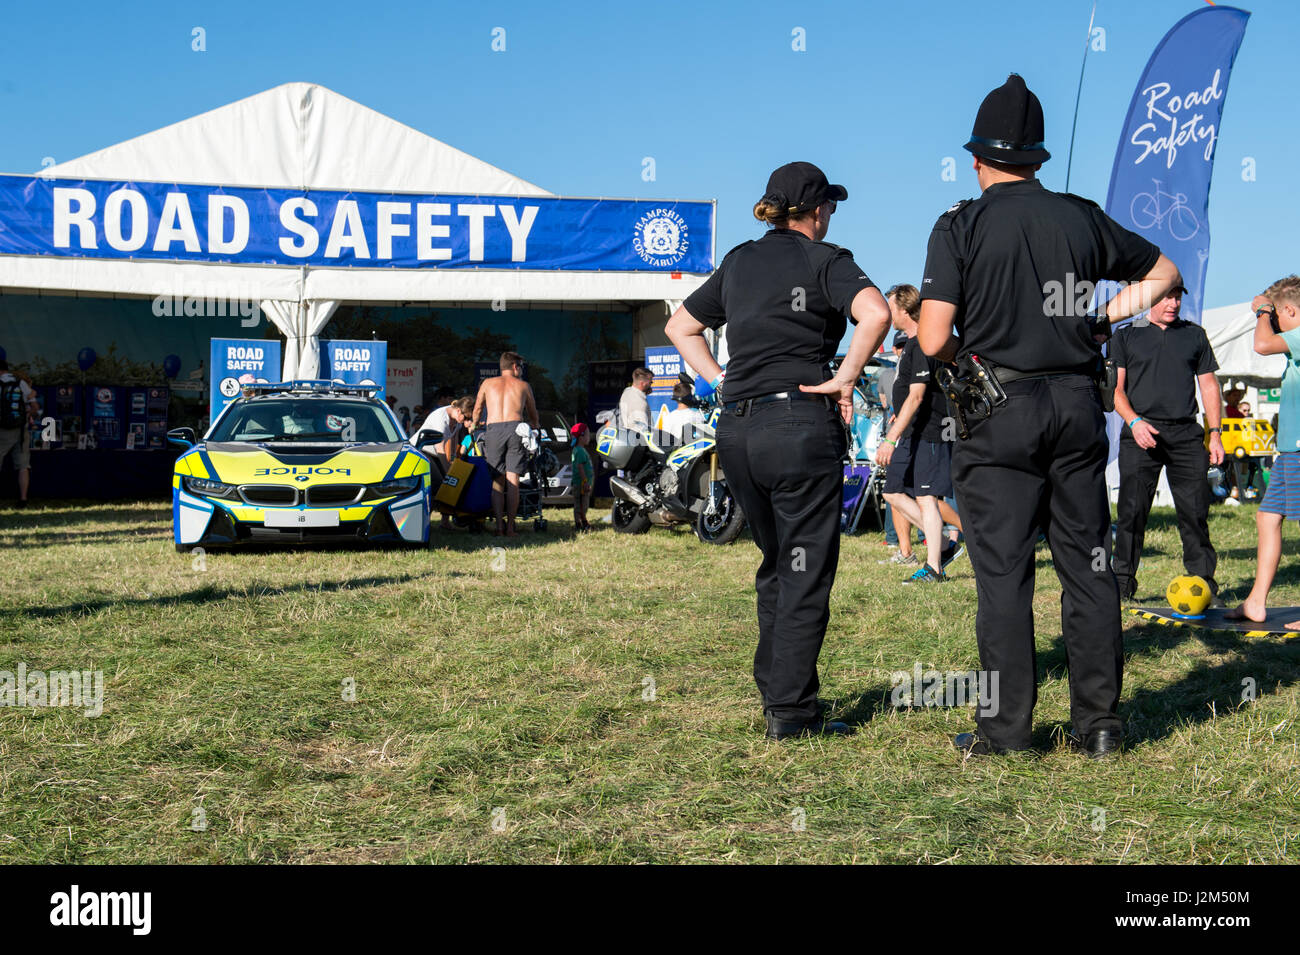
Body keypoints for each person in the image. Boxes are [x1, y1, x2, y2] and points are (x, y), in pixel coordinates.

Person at [916, 74, 1179, 759]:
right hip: (1074, 405)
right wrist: (1096, 322)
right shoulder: (1081, 215)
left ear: (977, 159)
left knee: (1003, 574)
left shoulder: (958, 225)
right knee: (1088, 565)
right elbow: (1164, 273)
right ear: (1038, 158)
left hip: (997, 409)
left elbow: (935, 338)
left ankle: (1006, 735)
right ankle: (1100, 726)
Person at [666, 160, 891, 740]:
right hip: (797, 424)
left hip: (738, 430)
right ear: (817, 211)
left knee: (777, 563)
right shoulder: (826, 259)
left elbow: (679, 328)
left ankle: (778, 696)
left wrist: (719, 380)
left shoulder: (739, 260)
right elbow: (877, 313)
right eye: (831, 208)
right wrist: (846, 376)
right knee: (805, 568)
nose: (832, 217)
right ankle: (791, 714)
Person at [1111, 285, 1226, 604]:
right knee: (1131, 512)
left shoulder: (1194, 335)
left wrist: (1214, 433)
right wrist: (1134, 422)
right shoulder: (1126, 335)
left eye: (1178, 297)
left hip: (1186, 435)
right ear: (1150, 298)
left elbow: (1208, 386)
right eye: (1167, 297)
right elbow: (1116, 390)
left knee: (1194, 512)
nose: (1173, 303)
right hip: (1140, 433)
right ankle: (1121, 584)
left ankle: (1203, 583)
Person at [875, 283, 961, 582]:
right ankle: (946, 541)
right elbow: (906, 398)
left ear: (903, 310)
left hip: (931, 432)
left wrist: (889, 438)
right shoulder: (911, 345)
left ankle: (935, 568)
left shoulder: (923, 343)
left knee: (926, 499)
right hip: (911, 431)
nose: (886, 314)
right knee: (892, 492)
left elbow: (917, 396)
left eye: (890, 307)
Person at [1228, 277, 1300, 628]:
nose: (1273, 324)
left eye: (1277, 316)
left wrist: (1263, 310)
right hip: (1289, 450)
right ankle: (1256, 602)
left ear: (1289, 310)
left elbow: (1261, 344)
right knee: (1266, 518)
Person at [472, 352, 540, 537]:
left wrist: (474, 424)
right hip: (516, 429)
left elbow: (477, 408)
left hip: (493, 430)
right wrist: (535, 426)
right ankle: (511, 527)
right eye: (521, 367)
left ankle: (499, 528)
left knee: (497, 481)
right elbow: (532, 411)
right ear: (515, 367)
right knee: (513, 481)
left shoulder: (487, 384)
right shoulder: (524, 386)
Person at [0, 360, 39, 507]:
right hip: (21, 429)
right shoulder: (21, 383)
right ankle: (23, 499)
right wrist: (25, 414)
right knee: (23, 465)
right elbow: (35, 407)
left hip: (2, 430)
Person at [569, 423, 594, 531]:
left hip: (581, 483)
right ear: (581, 437)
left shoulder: (579, 450)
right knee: (582, 505)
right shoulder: (579, 451)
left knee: (580, 504)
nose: (589, 438)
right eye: (587, 435)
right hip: (581, 484)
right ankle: (580, 523)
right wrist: (585, 482)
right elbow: (580, 467)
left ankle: (581, 522)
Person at [619, 368, 653, 433]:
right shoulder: (640, 403)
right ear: (643, 383)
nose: (651, 385)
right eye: (650, 382)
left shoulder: (627, 391)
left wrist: (644, 392)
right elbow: (644, 430)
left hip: (626, 435)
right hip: (637, 440)